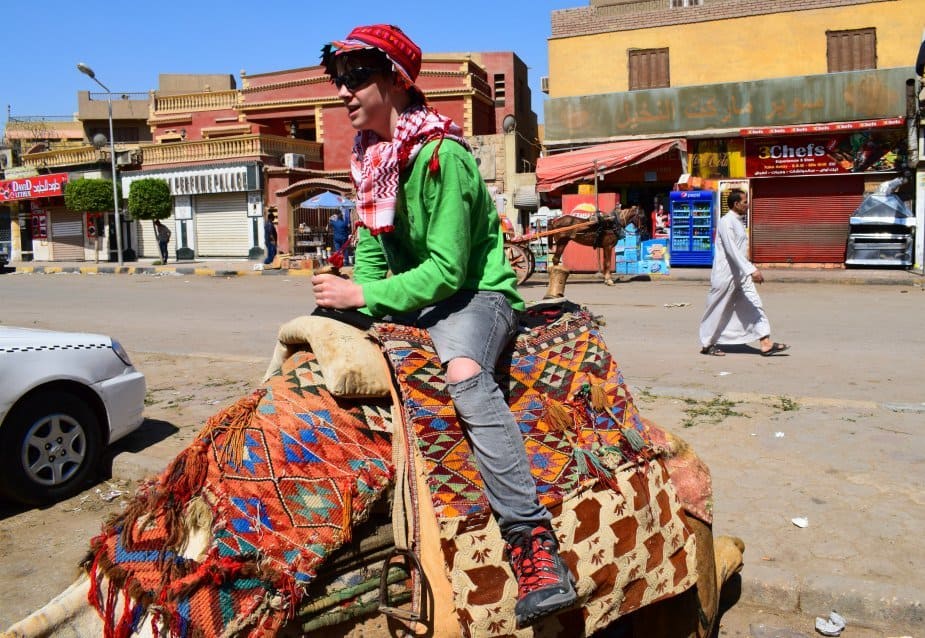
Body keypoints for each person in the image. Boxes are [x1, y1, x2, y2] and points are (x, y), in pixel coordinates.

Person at [311, 24, 576, 628]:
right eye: (340, 80)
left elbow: (451, 270)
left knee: (462, 372)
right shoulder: (372, 160)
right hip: (418, 297)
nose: (345, 93)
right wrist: (353, 294)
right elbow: (376, 258)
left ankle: (532, 543)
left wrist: (365, 292)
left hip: (474, 295)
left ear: (396, 84)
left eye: (358, 79)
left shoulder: (441, 158)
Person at [699, 189, 789, 357]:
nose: (748, 205)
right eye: (745, 202)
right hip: (725, 275)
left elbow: (740, 252)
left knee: (755, 304)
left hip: (741, 275)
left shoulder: (739, 222)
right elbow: (732, 250)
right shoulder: (726, 222)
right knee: (717, 309)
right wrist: (751, 269)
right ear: (736, 204)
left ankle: (765, 343)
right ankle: (707, 344)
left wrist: (748, 269)